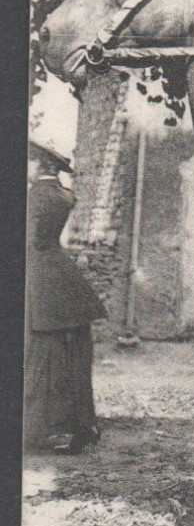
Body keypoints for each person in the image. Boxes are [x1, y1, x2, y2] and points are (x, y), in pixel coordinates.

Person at [25, 140, 106, 454]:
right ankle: (80, 426)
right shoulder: (62, 194)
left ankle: (40, 430)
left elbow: (30, 242)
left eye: (27, 161)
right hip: (62, 280)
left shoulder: (35, 197)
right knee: (72, 358)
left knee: (39, 356)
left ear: (41, 165)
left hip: (39, 282)